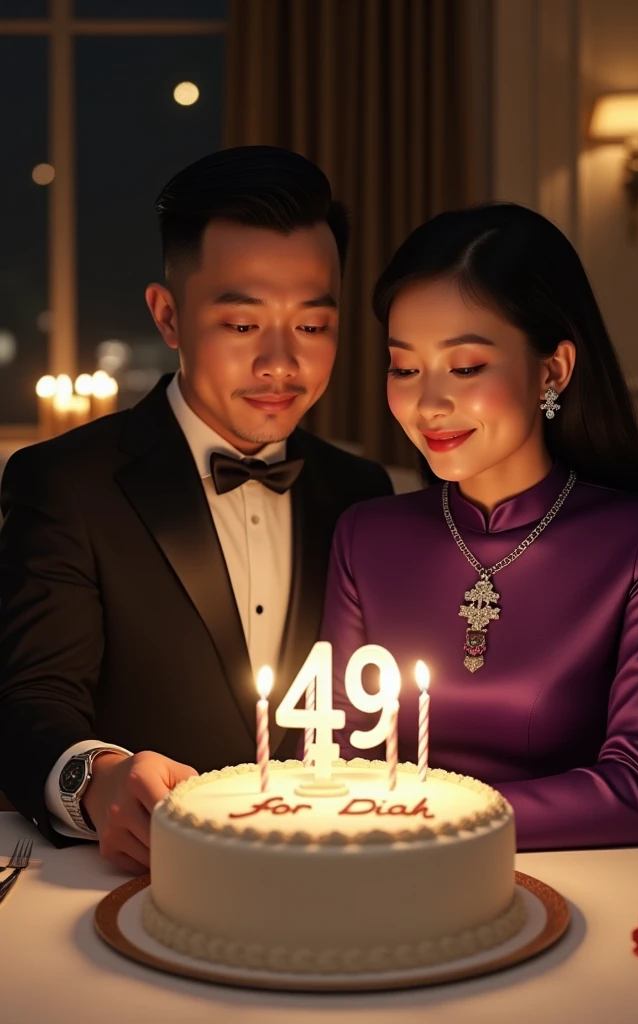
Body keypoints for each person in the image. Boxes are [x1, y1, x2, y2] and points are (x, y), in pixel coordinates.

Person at [0, 146, 393, 874]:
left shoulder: (361, 491)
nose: (282, 363)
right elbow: (28, 702)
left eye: (312, 326)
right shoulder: (65, 482)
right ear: (169, 316)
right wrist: (99, 780)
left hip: (331, 885)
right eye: (242, 326)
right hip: (137, 891)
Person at [321, 202, 638, 851]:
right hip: (379, 884)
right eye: (404, 368)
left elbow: (634, 792)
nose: (429, 403)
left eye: (465, 368)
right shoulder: (366, 538)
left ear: (553, 370)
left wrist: (432, 817)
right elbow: (334, 761)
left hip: (569, 895)